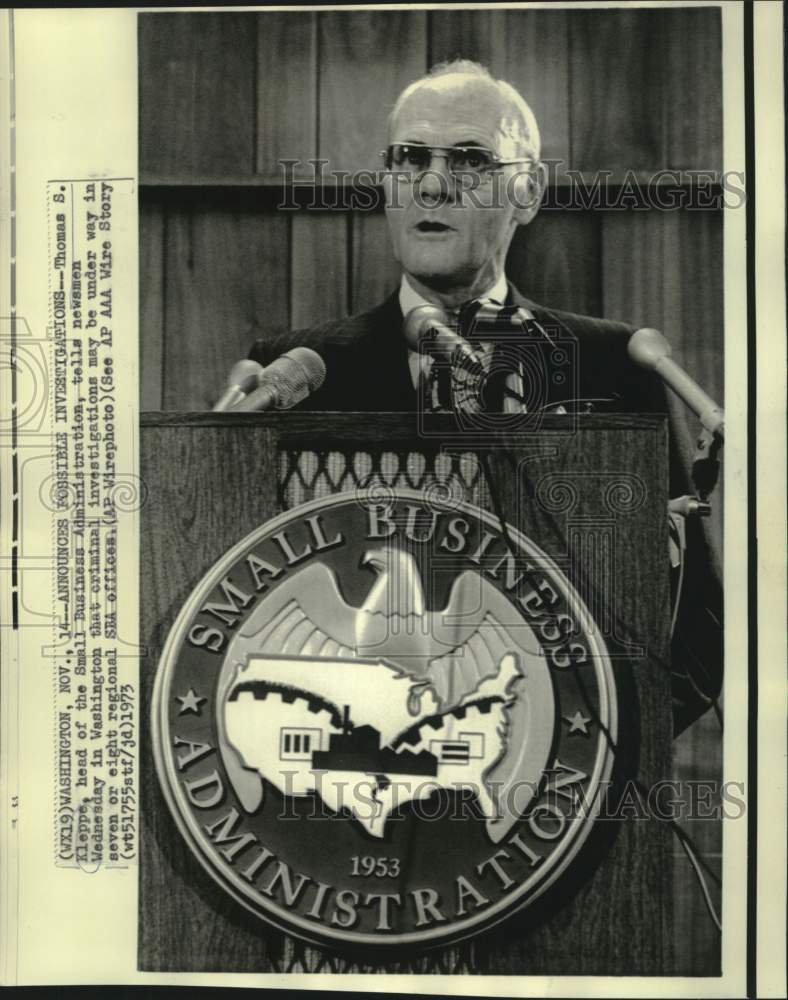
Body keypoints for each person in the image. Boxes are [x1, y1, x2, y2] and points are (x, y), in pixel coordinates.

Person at [249, 60, 722, 734]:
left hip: (566, 786)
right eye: (409, 158)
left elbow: (698, 626)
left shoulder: (614, 367)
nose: (432, 184)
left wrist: (586, 754)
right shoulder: (296, 374)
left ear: (527, 192)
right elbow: (249, 614)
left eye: (470, 161)